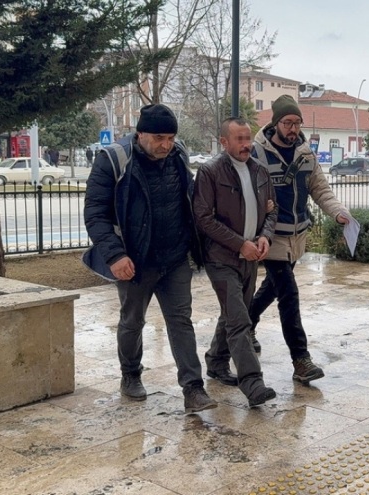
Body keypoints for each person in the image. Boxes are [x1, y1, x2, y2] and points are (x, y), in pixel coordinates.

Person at [83, 104, 217, 414]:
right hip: (135, 262)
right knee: (133, 322)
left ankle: (193, 388)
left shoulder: (178, 156)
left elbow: (190, 199)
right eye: (159, 138)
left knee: (181, 321)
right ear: (140, 133)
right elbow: (95, 213)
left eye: (170, 138)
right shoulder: (113, 160)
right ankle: (130, 374)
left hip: (174, 257)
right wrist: (115, 255)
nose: (165, 145)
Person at [249, 95, 350, 384]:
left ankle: (245, 324)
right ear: (276, 123)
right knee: (289, 295)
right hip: (271, 237)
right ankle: (301, 360)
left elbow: (321, 190)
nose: (293, 129)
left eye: (297, 123)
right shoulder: (257, 154)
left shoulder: (306, 155)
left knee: (271, 288)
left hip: (297, 237)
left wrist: (338, 213)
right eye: (287, 122)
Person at [193, 117, 279, 407]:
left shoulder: (259, 170)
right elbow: (203, 218)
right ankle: (252, 382)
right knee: (240, 319)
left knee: (232, 313)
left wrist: (265, 236)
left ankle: (217, 361)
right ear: (224, 142)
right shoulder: (210, 172)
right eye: (239, 139)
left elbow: (272, 211)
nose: (246, 145)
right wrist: (239, 243)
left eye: (248, 138)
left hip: (251, 257)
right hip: (221, 258)